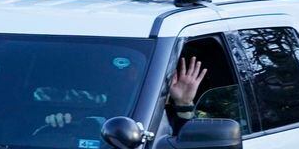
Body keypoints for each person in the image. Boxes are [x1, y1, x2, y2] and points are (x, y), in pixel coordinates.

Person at [45, 56, 207, 134]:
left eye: (135, 70)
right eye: (117, 74)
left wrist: (184, 103)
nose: (126, 76)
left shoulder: (170, 114)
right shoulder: (86, 118)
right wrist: (58, 126)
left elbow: (190, 144)